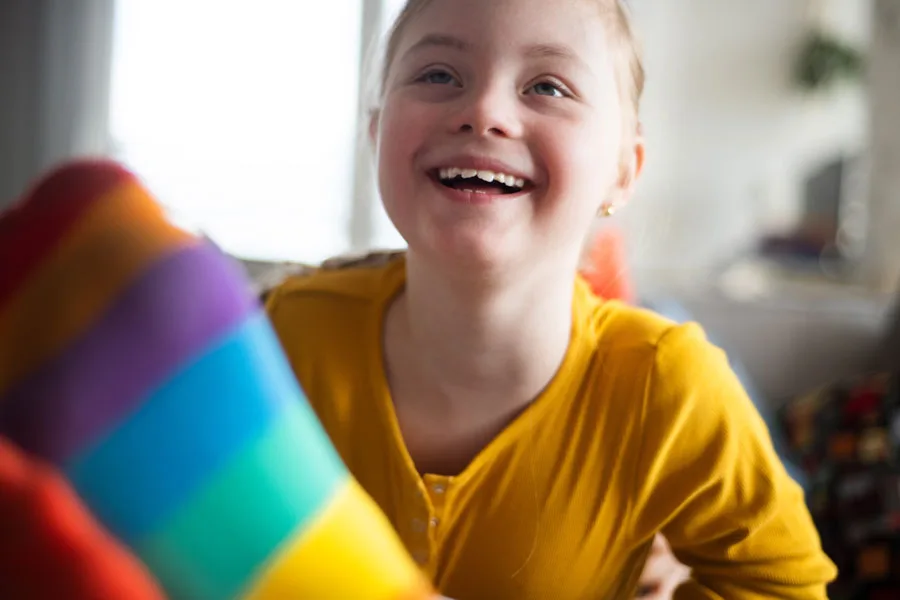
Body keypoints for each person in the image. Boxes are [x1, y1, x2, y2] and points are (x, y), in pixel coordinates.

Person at [263, 0, 837, 598]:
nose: (483, 111)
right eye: (438, 75)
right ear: (377, 132)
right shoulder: (289, 333)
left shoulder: (667, 387)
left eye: (547, 86)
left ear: (623, 169)